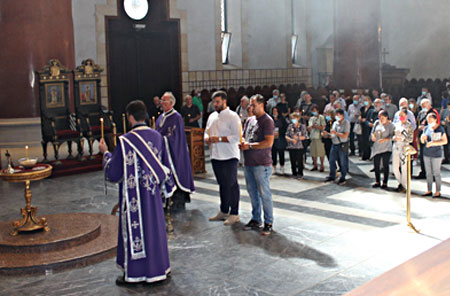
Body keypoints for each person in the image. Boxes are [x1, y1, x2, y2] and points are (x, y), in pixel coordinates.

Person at [99, 100, 175, 285]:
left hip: (134, 199)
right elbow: (165, 167)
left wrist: (105, 153)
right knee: (155, 229)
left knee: (137, 231)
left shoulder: (125, 141)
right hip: (153, 196)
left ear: (130, 117)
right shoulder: (157, 137)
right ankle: (159, 269)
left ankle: (137, 274)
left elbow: (114, 173)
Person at [205, 91, 242, 225]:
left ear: (224, 101)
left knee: (232, 183)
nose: (215, 104)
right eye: (214, 102)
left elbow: (237, 137)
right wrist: (207, 139)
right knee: (222, 184)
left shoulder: (233, 116)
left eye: (217, 102)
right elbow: (206, 131)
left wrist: (219, 139)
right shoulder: (212, 116)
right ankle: (224, 210)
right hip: (216, 155)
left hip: (230, 155)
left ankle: (234, 213)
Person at [240, 94, 275, 236]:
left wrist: (250, 146)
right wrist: (243, 142)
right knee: (252, 192)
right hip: (249, 162)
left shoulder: (267, 121)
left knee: (264, 193)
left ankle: (268, 222)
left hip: (261, 163)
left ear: (261, 105)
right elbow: (245, 136)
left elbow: (268, 142)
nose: (250, 107)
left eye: (253, 105)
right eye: (250, 104)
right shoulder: (250, 120)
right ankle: (256, 218)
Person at [156, 92, 195, 209]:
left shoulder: (176, 117)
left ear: (171, 103)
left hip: (175, 152)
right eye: (161, 100)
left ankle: (178, 202)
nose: (161, 103)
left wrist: (161, 139)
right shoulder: (160, 117)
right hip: (164, 152)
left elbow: (176, 137)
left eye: (164, 101)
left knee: (176, 174)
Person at [420, 113, 448, 197]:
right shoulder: (426, 128)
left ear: (435, 120)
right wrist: (422, 138)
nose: (429, 121)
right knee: (428, 173)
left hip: (436, 154)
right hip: (427, 153)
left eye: (431, 120)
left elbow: (445, 141)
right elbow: (422, 140)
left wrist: (433, 143)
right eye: (428, 120)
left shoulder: (440, 129)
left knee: (436, 172)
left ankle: (438, 191)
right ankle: (429, 190)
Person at [415, 99, 440, 179]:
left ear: (428, 104)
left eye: (424, 105)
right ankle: (423, 172)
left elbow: (437, 123)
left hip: (431, 136)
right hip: (423, 136)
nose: (422, 107)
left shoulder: (434, 112)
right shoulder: (421, 113)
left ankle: (431, 174)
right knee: (423, 155)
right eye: (422, 105)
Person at [325, 109, 350, 185]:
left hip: (342, 144)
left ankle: (343, 177)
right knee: (331, 160)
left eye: (338, 115)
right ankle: (332, 175)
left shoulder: (346, 123)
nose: (337, 117)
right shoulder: (335, 123)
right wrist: (327, 135)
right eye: (336, 115)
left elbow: (345, 135)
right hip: (334, 143)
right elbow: (333, 134)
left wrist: (335, 133)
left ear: (342, 115)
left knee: (343, 162)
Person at [370, 111, 394, 189]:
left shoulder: (390, 125)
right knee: (376, 164)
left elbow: (392, 135)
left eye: (382, 118)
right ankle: (377, 181)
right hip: (377, 146)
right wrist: (373, 136)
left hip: (386, 147)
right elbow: (372, 132)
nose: (381, 119)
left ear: (386, 117)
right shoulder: (377, 123)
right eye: (379, 117)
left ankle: (385, 182)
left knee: (385, 164)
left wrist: (385, 139)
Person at [392, 108, 414, 193]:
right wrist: (394, 137)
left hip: (404, 147)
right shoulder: (396, 124)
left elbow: (410, 138)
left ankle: (404, 185)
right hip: (396, 146)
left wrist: (403, 138)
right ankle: (400, 182)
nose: (401, 117)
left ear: (406, 116)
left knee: (404, 167)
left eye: (402, 115)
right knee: (395, 168)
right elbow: (393, 134)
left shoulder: (409, 125)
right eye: (399, 115)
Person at [285, 112, 307, 179]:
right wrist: (291, 140)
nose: (293, 119)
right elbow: (286, 135)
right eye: (292, 118)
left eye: (295, 118)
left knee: (299, 160)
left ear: (298, 118)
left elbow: (305, 136)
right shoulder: (290, 126)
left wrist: (298, 138)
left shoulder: (302, 126)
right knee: (293, 160)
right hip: (291, 146)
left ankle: (300, 173)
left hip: (299, 146)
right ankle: (294, 173)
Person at [308, 105, 326, 172]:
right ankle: (315, 165)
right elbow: (309, 127)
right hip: (312, 136)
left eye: (315, 110)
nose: (314, 112)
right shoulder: (311, 118)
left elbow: (323, 127)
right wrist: (309, 128)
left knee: (321, 152)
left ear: (318, 111)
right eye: (312, 111)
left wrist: (315, 126)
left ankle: (322, 165)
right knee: (313, 152)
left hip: (319, 137)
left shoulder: (321, 117)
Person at [271, 107, 287, 175]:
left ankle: (282, 167)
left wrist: (279, 132)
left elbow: (285, 127)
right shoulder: (270, 119)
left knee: (281, 153)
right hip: (273, 138)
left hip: (280, 138)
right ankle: (273, 167)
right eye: (273, 111)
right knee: (273, 153)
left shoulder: (282, 119)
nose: (275, 113)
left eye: (276, 111)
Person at [360, 96, 375, 160]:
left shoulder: (372, 108)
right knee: (363, 140)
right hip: (363, 125)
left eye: (367, 100)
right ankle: (364, 155)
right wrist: (360, 119)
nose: (365, 101)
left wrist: (366, 120)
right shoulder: (362, 108)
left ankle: (369, 155)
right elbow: (360, 115)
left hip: (369, 125)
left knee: (368, 140)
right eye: (364, 100)